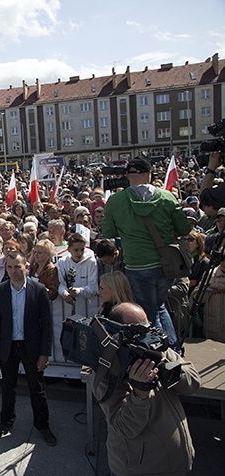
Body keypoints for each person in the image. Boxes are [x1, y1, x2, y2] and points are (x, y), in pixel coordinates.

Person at [93, 302, 200, 476]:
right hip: (141, 470)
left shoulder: (157, 348)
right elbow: (125, 427)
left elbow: (194, 382)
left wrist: (171, 371)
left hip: (179, 465)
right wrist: (140, 394)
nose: (148, 334)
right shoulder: (107, 369)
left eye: (148, 325)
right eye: (140, 330)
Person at [102, 157, 192, 351]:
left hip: (138, 265)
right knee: (158, 306)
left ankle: (163, 351)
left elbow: (108, 232)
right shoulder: (167, 197)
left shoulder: (116, 200)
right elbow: (184, 227)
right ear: (149, 174)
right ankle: (173, 347)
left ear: (128, 176)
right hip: (166, 264)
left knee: (150, 311)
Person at [0, 251, 57, 446]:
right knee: (7, 388)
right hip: (8, 347)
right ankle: (6, 422)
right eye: (9, 267)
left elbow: (46, 324)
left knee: (37, 388)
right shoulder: (1, 290)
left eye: (17, 266)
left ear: (26, 266)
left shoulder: (39, 289)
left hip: (31, 347)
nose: (13, 271)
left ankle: (43, 425)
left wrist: (44, 353)